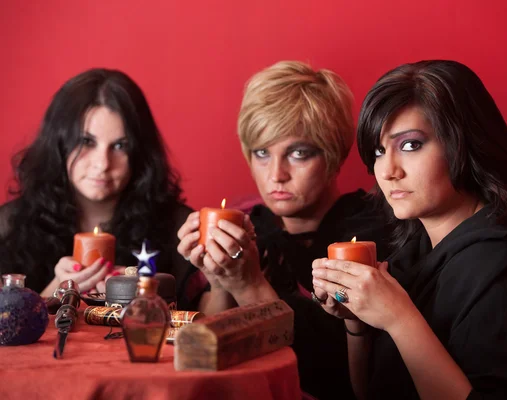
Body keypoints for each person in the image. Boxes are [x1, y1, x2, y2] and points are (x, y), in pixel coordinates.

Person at [311, 60, 507, 399]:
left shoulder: (500, 267)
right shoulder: (414, 254)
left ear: (463, 142)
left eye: (411, 145)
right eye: (379, 151)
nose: (387, 170)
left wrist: (399, 318)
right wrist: (357, 322)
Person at [177, 61, 393, 399]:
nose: (276, 174)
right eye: (262, 153)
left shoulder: (371, 233)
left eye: (298, 153)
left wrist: (249, 284)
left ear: (333, 155)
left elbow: (329, 376)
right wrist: (218, 279)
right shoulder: (246, 222)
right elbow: (205, 359)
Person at [0, 68, 198, 309]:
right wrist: (55, 291)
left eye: (119, 146)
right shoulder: (10, 224)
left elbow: (198, 327)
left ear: (139, 153)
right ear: (59, 143)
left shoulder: (178, 227)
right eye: (86, 142)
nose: (102, 164)